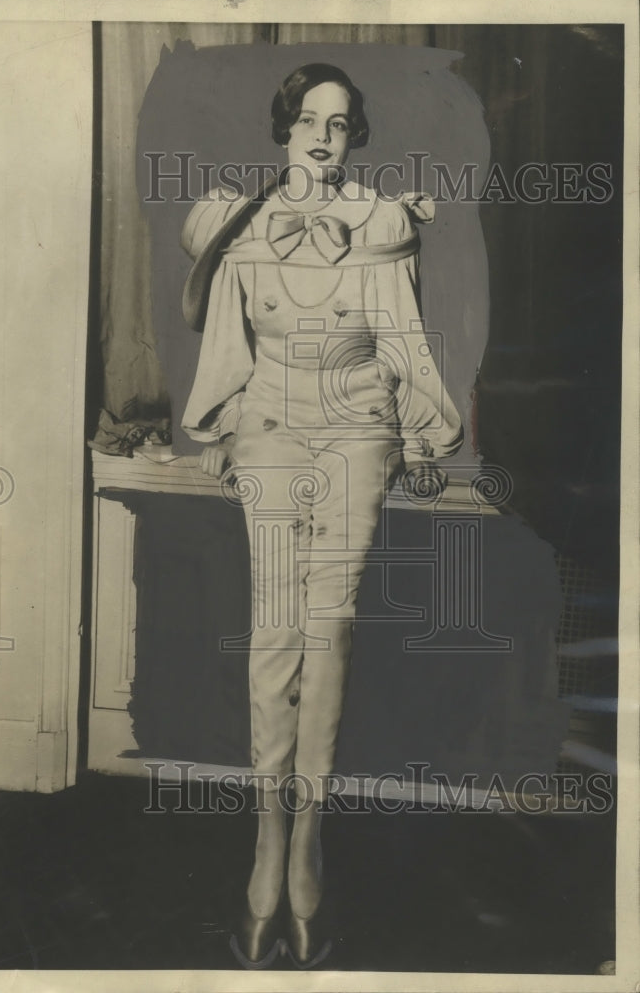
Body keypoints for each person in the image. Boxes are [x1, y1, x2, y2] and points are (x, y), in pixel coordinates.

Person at [180, 62, 463, 969]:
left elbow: (403, 341)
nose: (323, 136)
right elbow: (227, 347)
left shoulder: (383, 224)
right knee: (275, 635)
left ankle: (308, 855)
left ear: (353, 139)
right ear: (284, 129)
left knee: (328, 632)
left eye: (340, 125)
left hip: (355, 432)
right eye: (309, 119)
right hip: (269, 426)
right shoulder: (241, 224)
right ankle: (265, 851)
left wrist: (421, 436)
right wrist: (224, 427)